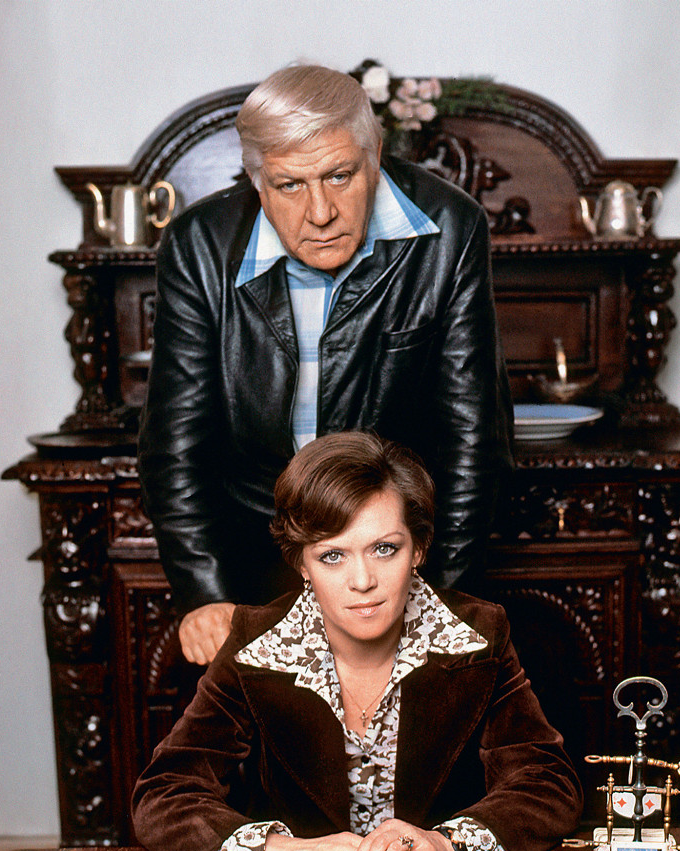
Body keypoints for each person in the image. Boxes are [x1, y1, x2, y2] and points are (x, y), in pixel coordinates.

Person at [138, 63, 513, 666]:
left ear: (375, 155)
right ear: (256, 179)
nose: (320, 212)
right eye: (289, 185)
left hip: (399, 559)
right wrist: (205, 595)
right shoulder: (197, 245)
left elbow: (474, 441)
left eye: (340, 176)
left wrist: (439, 604)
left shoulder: (451, 228)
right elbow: (174, 446)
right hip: (257, 561)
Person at [132, 432, 581, 851]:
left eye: (384, 548)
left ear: (419, 549)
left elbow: (547, 783)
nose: (363, 581)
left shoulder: (479, 638)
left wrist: (444, 844)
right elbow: (164, 795)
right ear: (302, 564)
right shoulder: (255, 644)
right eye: (332, 556)